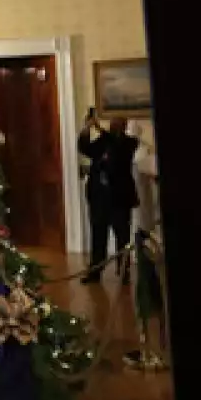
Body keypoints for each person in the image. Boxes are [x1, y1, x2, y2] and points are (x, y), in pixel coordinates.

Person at [77, 113, 141, 284]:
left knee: (122, 237)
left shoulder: (130, 143)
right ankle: (95, 272)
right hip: (99, 198)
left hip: (119, 200)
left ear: (124, 126)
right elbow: (85, 149)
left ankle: (123, 271)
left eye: (116, 123)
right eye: (111, 123)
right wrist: (86, 129)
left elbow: (118, 148)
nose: (112, 125)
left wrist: (98, 127)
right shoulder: (104, 141)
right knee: (98, 236)